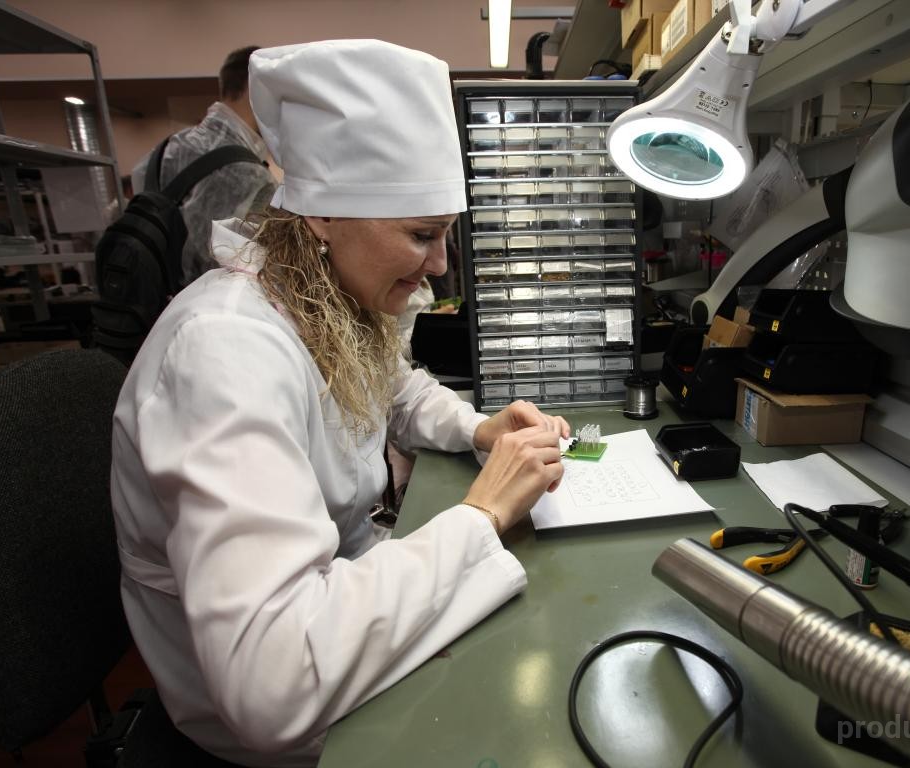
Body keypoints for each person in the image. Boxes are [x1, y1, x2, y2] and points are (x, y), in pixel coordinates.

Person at [110, 40, 571, 767]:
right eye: (421, 235)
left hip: (342, 595)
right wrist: (481, 514)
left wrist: (478, 428)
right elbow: (273, 684)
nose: (439, 266)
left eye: (444, 235)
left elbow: (394, 385)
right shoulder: (224, 352)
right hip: (283, 699)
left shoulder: (315, 294)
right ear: (323, 217)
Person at [130, 45, 276, 287]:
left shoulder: (162, 152)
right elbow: (237, 276)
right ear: (256, 89)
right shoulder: (247, 175)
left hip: (157, 302)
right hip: (212, 304)